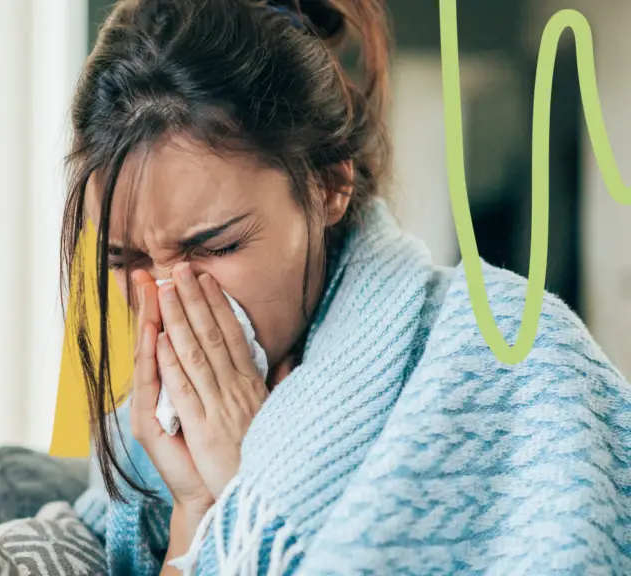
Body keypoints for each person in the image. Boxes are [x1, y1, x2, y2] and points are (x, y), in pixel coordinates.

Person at [62, 0, 631, 574]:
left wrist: (255, 484)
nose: (169, 296)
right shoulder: (145, 451)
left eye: (215, 246)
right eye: (126, 259)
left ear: (330, 184)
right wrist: (197, 509)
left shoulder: (511, 356)